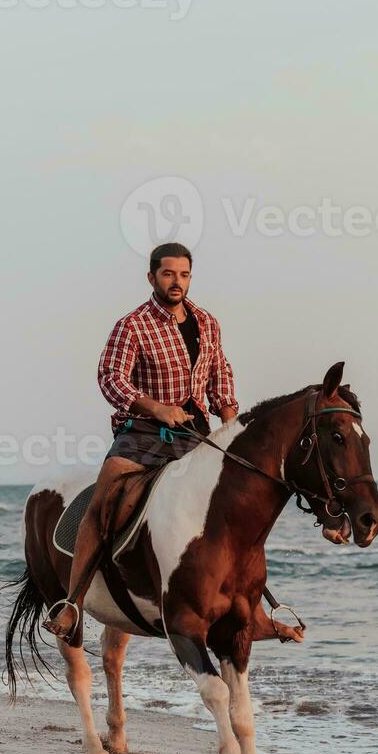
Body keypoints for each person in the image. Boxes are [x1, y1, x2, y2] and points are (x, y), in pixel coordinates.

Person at [42, 242, 239, 643]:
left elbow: (220, 374)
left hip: (196, 435)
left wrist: (231, 424)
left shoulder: (207, 323)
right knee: (107, 497)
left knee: (237, 500)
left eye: (183, 274)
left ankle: (246, 600)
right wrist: (156, 408)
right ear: (152, 277)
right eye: (168, 274)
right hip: (143, 434)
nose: (176, 281)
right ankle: (73, 603)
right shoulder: (132, 325)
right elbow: (111, 378)